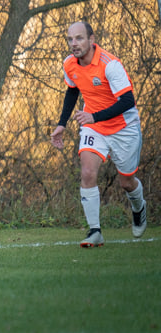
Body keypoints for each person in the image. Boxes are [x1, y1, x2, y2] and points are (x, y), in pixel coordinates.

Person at [50, 21, 147, 247]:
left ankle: (138, 206)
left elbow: (128, 101)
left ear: (92, 40)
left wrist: (94, 116)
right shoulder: (69, 64)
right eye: (70, 39)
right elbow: (73, 89)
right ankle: (95, 231)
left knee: (126, 182)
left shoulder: (110, 65)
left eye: (79, 38)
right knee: (87, 172)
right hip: (94, 126)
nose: (74, 44)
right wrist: (62, 124)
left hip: (124, 127)